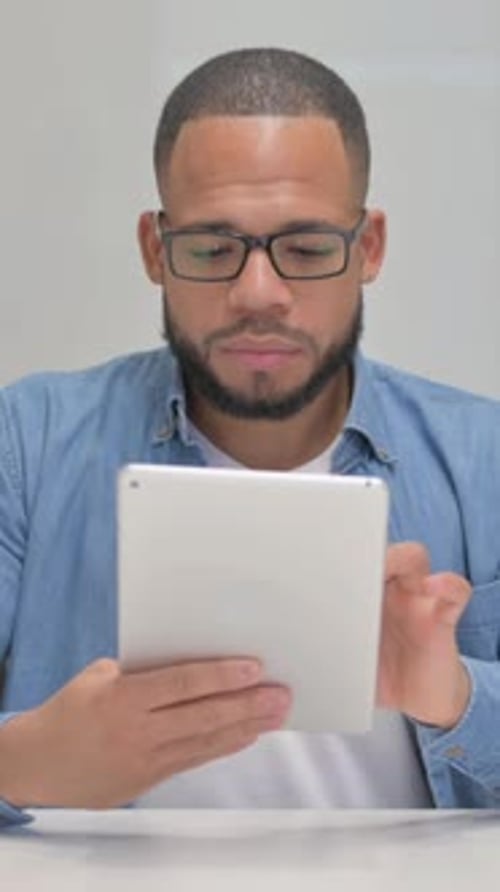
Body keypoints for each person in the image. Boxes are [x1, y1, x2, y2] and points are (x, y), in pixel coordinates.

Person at [1, 47, 499, 825]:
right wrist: (24, 761)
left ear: (367, 249)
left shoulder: (486, 459)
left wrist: (455, 697)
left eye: (304, 249)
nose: (257, 293)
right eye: (211, 249)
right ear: (153, 251)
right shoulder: (26, 446)